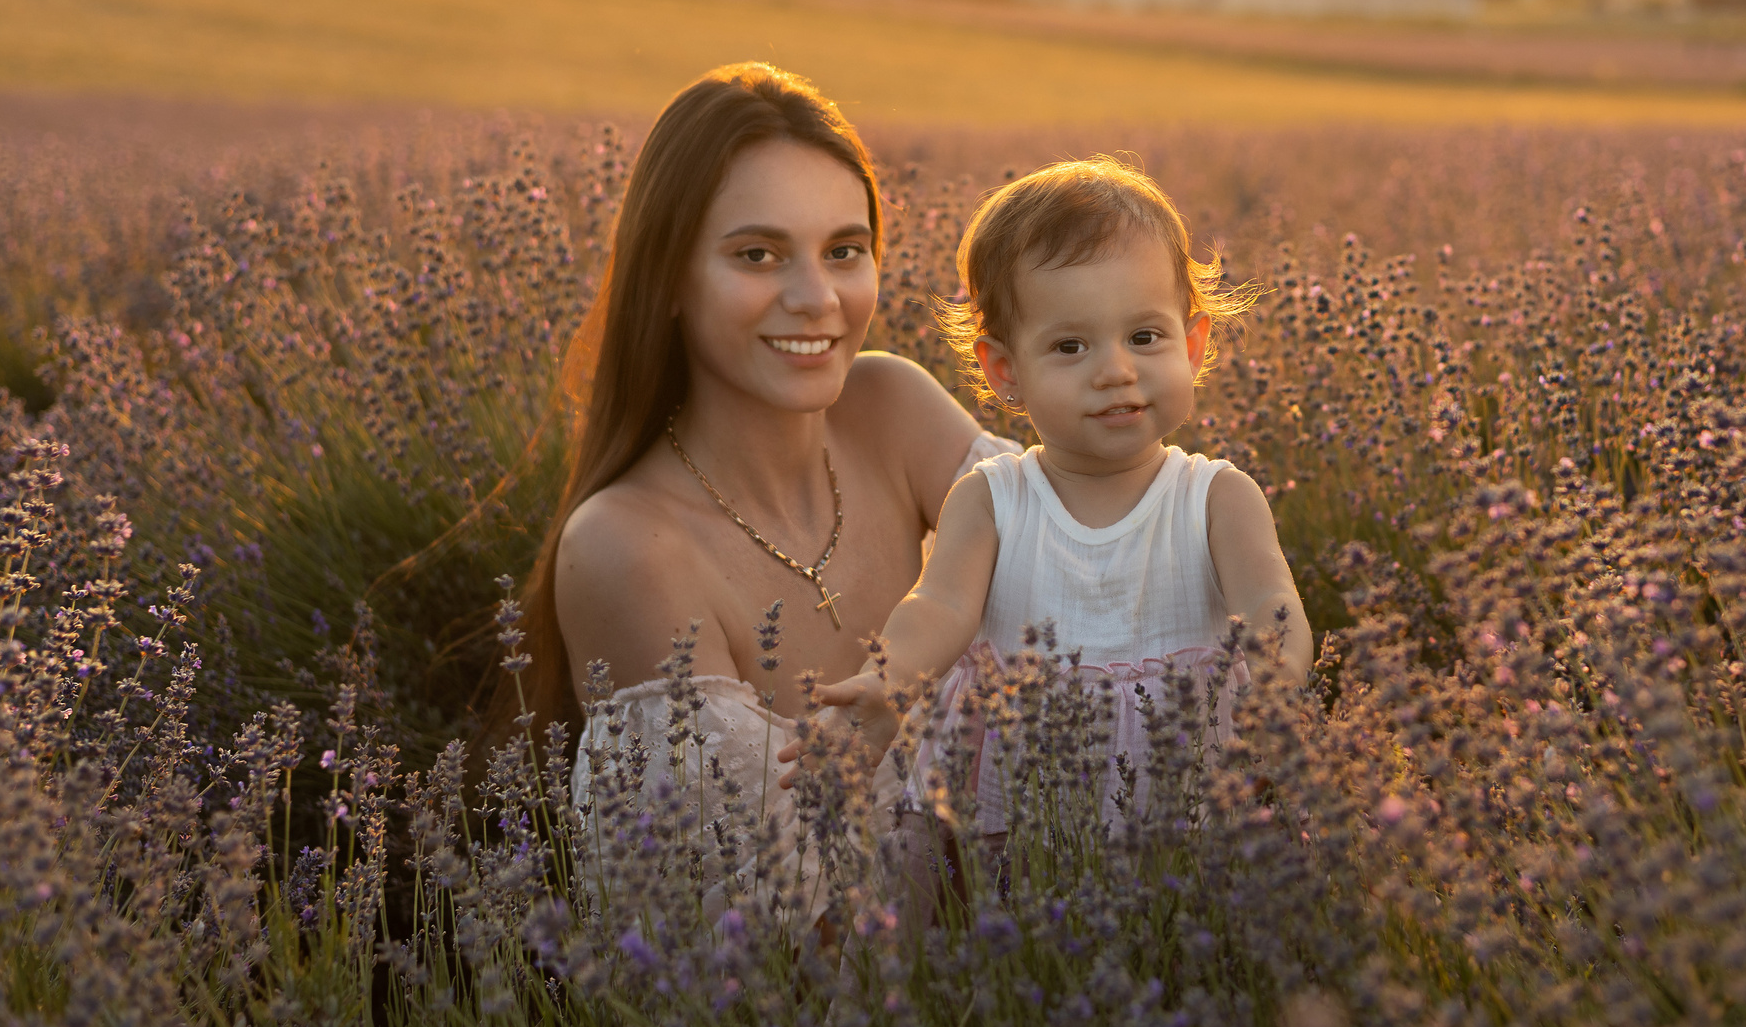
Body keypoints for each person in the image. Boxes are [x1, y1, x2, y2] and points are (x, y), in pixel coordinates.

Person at [518, 63, 1012, 912]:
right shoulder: (627, 545)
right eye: (758, 254)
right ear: (668, 278)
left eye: (844, 251)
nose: (817, 298)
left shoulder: (892, 408)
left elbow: (1101, 557)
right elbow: (761, 945)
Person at [793, 155, 1314, 847]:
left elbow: (1275, 602)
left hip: (1181, 798)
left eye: (1144, 336)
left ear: (1192, 345)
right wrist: (888, 680)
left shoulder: (1216, 498)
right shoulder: (994, 499)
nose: (1116, 369)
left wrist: (1278, 683)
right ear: (1006, 370)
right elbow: (940, 606)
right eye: (1071, 345)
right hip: (1024, 809)